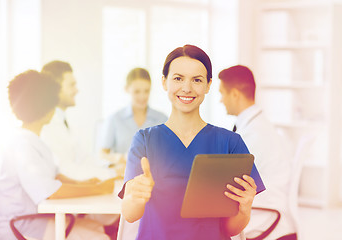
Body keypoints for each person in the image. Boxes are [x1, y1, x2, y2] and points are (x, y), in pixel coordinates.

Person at [119, 45, 265, 240]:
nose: (186, 88)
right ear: (164, 82)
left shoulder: (231, 143)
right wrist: (136, 197)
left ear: (208, 85)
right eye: (178, 78)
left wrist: (245, 209)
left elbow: (231, 229)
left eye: (197, 80)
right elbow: (130, 214)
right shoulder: (145, 140)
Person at [0, 70, 112, 240]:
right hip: (21, 226)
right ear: (47, 108)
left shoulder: (33, 141)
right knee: (98, 237)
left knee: (96, 227)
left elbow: (55, 176)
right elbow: (50, 192)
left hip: (33, 220)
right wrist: (97, 190)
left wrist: (82, 183)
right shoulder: (22, 145)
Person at [218, 65, 296, 239]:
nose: (220, 100)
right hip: (271, 209)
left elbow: (228, 186)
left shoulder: (253, 136)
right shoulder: (258, 126)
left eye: (222, 93)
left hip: (268, 218)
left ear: (235, 94)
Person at [40, 60, 119, 180]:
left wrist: (111, 166)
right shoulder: (48, 124)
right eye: (72, 85)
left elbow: (83, 158)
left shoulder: (62, 120)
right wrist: (112, 173)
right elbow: (65, 169)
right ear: (55, 88)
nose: (77, 90)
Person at [99, 67, 167, 156]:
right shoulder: (115, 119)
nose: (142, 96)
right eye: (137, 92)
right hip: (123, 169)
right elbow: (103, 154)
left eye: (146, 91)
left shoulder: (162, 120)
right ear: (126, 89)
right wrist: (118, 159)